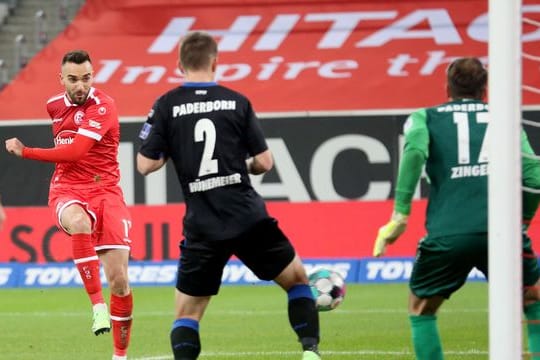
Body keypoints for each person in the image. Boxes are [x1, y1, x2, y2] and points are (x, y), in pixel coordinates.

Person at [136, 31, 321, 360]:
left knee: (187, 314)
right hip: (247, 216)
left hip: (203, 225)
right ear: (216, 62)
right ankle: (310, 352)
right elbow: (264, 162)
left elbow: (145, 165)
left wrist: (171, 152)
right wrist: (243, 166)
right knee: (297, 281)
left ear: (179, 65)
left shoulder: (166, 105)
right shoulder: (237, 101)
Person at [372, 57, 540, 359]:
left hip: (449, 232)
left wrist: (399, 216)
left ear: (446, 86)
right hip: (502, 232)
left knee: (421, 307)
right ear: (485, 89)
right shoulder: (505, 118)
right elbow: (534, 177)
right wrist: (522, 221)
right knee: (533, 296)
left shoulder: (424, 118)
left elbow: (414, 153)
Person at [5, 50, 133, 360]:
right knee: (79, 223)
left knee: (120, 282)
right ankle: (97, 308)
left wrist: (26, 152)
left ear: (93, 76)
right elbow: (70, 158)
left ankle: (120, 355)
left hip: (106, 192)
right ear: (61, 79)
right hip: (67, 189)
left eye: (86, 78)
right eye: (73, 79)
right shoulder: (53, 105)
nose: (80, 85)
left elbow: (75, 151)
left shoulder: (104, 106)